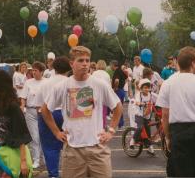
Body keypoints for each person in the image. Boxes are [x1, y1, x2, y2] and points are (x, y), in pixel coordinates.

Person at [41, 46, 123, 178]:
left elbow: (118, 106)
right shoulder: (62, 86)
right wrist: (56, 132)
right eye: (80, 60)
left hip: (97, 149)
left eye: (87, 60)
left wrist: (111, 131)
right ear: (71, 63)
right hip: (73, 151)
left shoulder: (99, 84)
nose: (85, 64)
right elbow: (44, 110)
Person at [156, 46, 195, 177]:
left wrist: (168, 137)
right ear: (192, 63)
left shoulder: (168, 83)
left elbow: (165, 115)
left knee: (180, 172)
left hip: (178, 131)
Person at [0, 70, 32, 178]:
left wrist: (23, 162)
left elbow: (21, 136)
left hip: (13, 157)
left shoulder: (13, 108)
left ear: (2, 88)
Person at [36, 56, 71, 178]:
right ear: (69, 68)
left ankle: (53, 174)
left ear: (53, 67)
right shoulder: (71, 82)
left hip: (48, 113)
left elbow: (39, 105)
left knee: (50, 148)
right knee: (72, 145)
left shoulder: (45, 83)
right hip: (67, 114)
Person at [20, 61, 46, 168]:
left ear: (42, 72)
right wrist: (22, 106)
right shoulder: (28, 82)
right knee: (35, 137)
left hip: (43, 112)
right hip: (30, 111)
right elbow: (23, 97)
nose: (33, 72)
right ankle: (36, 160)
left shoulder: (47, 82)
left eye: (36, 70)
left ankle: (45, 158)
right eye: (33, 70)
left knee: (43, 136)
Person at [130, 78, 157, 155]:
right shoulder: (139, 94)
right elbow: (137, 101)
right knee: (140, 127)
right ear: (141, 88)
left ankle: (149, 148)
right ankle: (133, 140)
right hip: (139, 114)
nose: (147, 89)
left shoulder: (151, 94)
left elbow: (159, 98)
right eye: (145, 87)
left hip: (147, 115)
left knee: (148, 132)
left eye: (148, 87)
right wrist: (139, 103)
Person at [111, 60, 127, 130]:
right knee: (119, 108)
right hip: (122, 90)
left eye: (111, 65)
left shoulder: (117, 71)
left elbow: (117, 80)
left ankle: (120, 124)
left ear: (113, 65)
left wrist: (115, 88)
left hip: (118, 91)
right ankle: (120, 124)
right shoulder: (121, 71)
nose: (110, 67)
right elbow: (126, 78)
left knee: (117, 108)